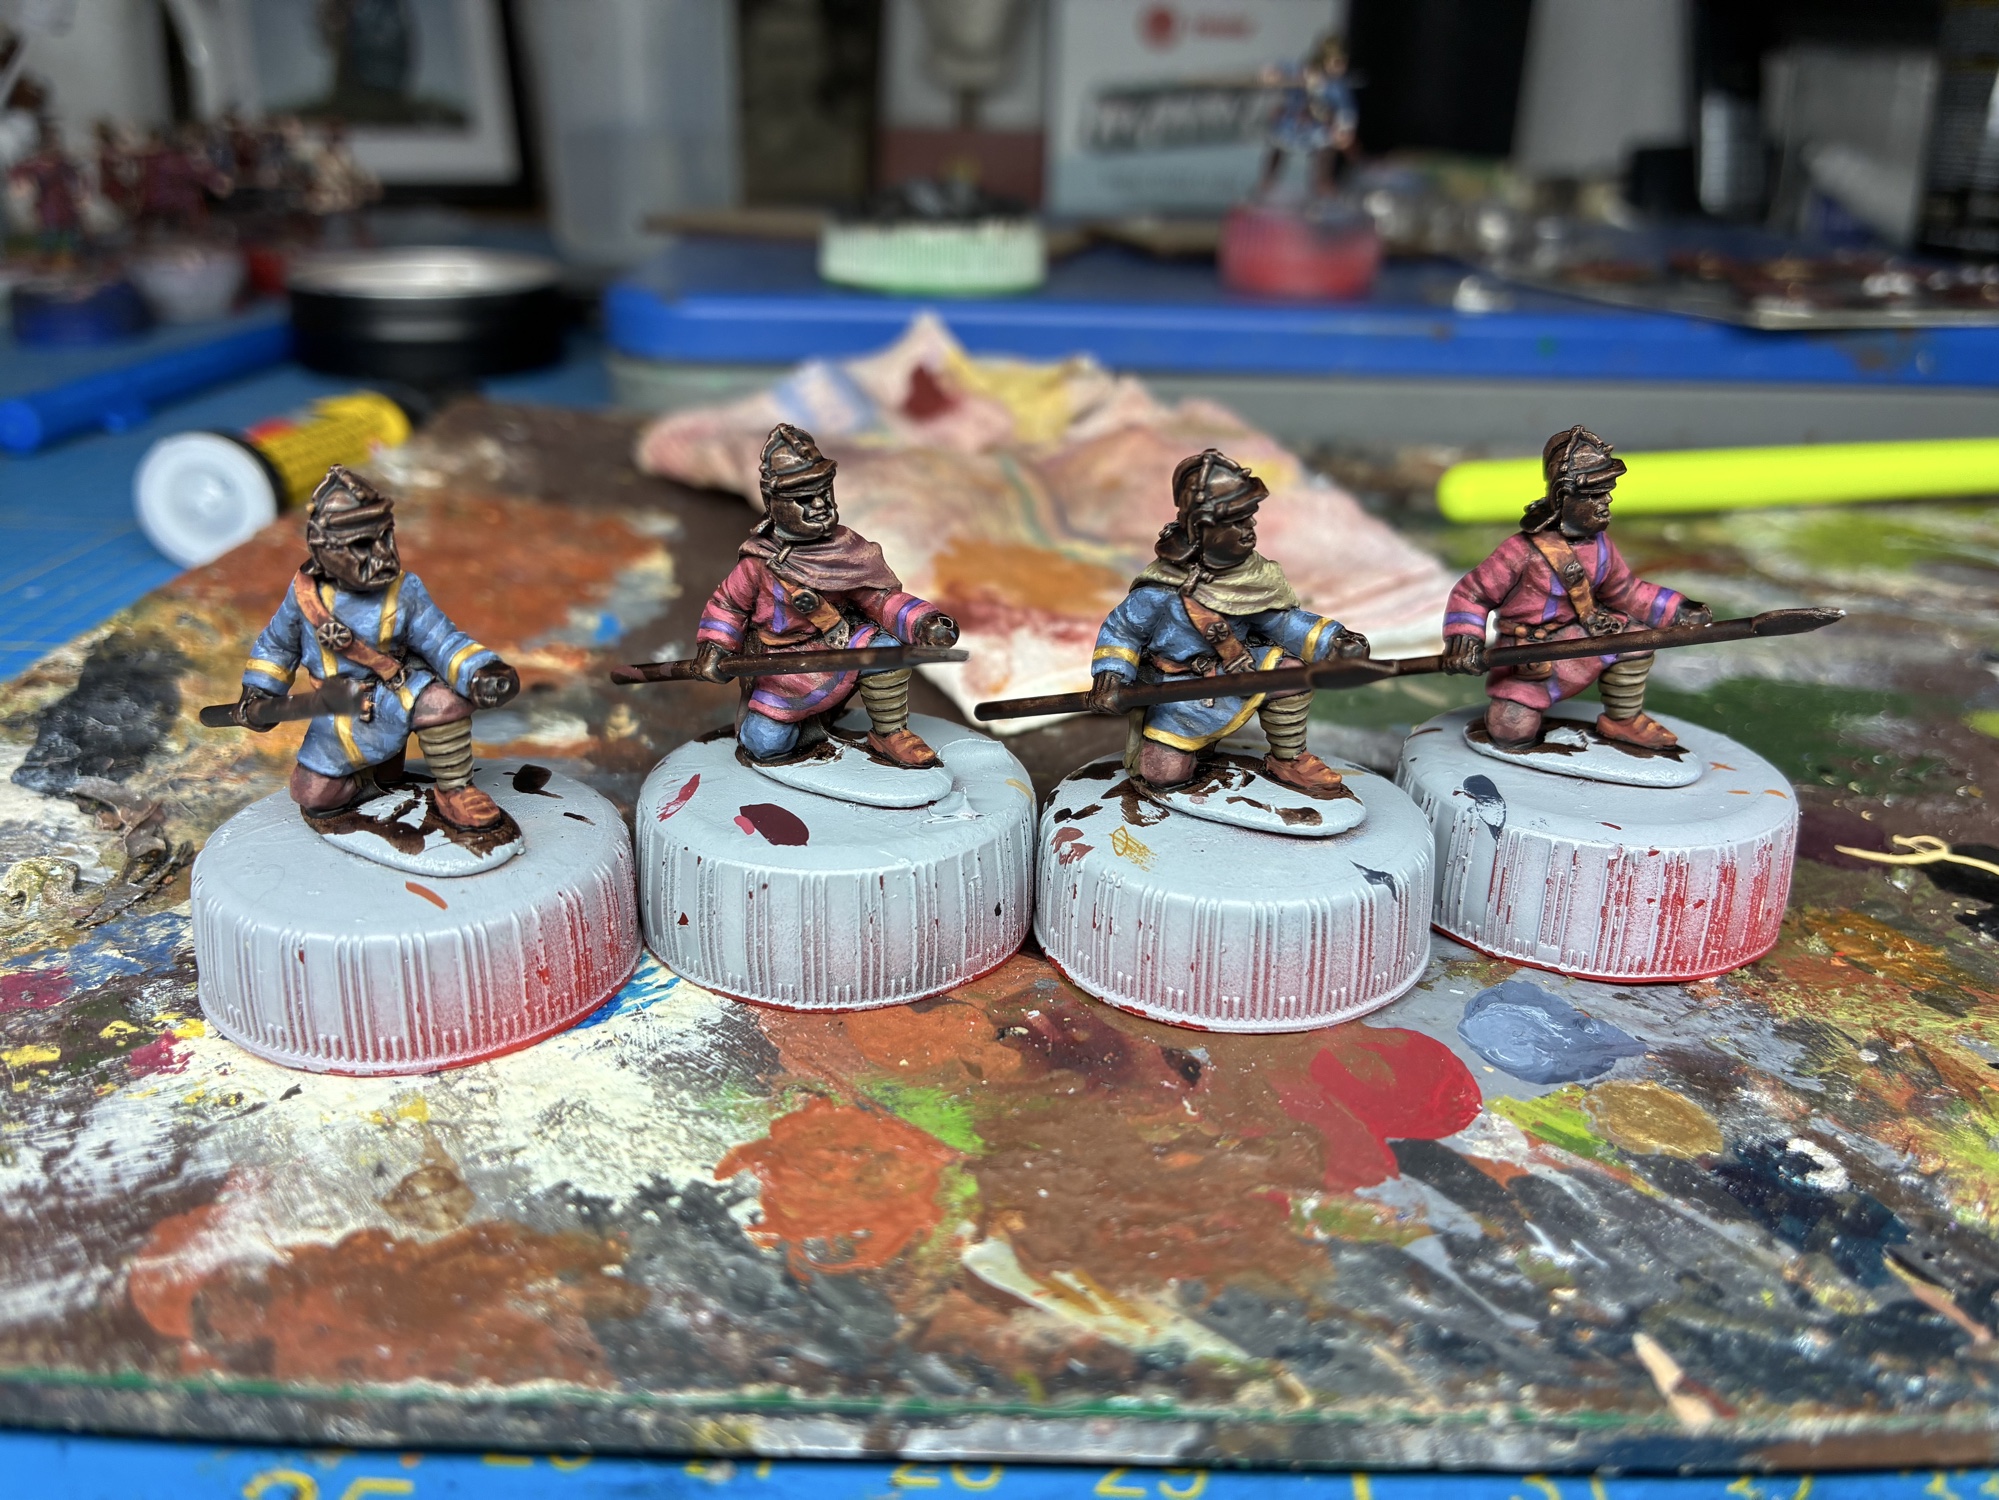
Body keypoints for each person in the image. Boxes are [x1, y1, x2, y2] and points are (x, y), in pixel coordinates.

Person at [235, 466, 520, 831]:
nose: (384, 554)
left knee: (442, 701)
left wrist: (480, 671)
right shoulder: (305, 597)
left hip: (395, 694)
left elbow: (443, 640)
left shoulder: (404, 591)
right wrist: (260, 692)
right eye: (362, 545)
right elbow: (277, 645)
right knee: (314, 795)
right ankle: (371, 776)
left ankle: (455, 790)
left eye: (386, 537)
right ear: (324, 548)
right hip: (338, 711)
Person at [1087, 448, 1368, 793]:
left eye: (1249, 518)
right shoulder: (1160, 589)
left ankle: (1289, 758)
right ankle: (1190, 750)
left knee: (1292, 673)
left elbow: (1280, 623)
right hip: (1177, 694)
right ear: (1202, 527)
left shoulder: (1253, 575)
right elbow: (1122, 630)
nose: (1250, 528)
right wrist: (1112, 676)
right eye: (1236, 521)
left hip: (1237, 674)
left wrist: (1332, 643)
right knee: (1162, 774)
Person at [696, 424, 959, 767]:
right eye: (805, 499)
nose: (820, 505)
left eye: (824, 494)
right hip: (782, 669)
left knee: (886, 651)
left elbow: (879, 599)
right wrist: (715, 647)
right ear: (775, 504)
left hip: (841, 646)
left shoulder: (848, 550)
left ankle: (890, 733)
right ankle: (805, 733)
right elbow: (727, 605)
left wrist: (923, 622)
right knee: (764, 744)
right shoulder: (758, 563)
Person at [1441, 425, 1710, 751]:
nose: (1606, 501)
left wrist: (1678, 610)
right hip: (1528, 661)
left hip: (1582, 640)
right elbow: (1472, 594)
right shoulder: (1520, 552)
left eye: (1606, 492)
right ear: (1562, 497)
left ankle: (1623, 719)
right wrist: (1465, 640)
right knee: (1509, 732)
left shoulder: (1601, 546)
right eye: (1594, 494)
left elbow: (1625, 592)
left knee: (1636, 639)